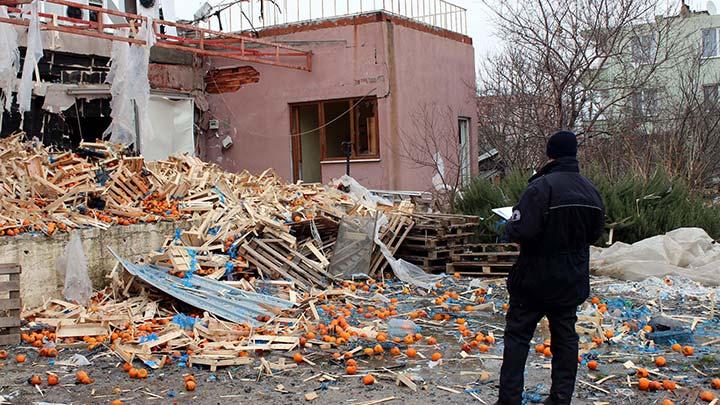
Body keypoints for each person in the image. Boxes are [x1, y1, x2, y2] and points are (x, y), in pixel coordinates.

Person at [497, 130, 605, 405]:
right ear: (575, 153)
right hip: (571, 279)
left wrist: (508, 225)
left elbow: (523, 230)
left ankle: (509, 399)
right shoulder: (591, 191)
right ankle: (560, 399)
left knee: (518, 337)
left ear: (550, 153)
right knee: (565, 338)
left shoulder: (540, 188)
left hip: (534, 278)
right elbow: (595, 234)